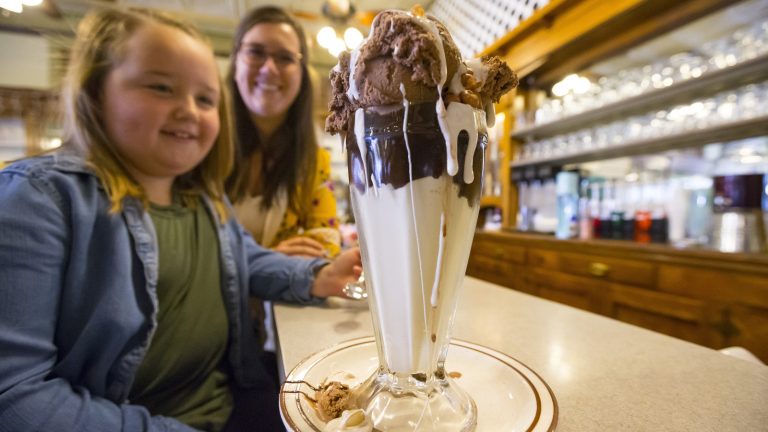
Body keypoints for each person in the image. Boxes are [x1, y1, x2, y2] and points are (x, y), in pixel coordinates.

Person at [0, 7, 360, 432]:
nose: (189, 110)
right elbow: (17, 396)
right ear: (95, 92)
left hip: (229, 399)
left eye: (206, 99)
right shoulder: (40, 199)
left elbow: (245, 259)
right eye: (161, 87)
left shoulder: (201, 198)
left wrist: (317, 276)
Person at [226, 6, 341, 260]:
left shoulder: (313, 161)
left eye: (285, 58)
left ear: (301, 75)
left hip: (276, 301)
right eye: (256, 52)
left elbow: (327, 243)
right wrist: (268, 260)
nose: (269, 68)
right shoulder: (203, 144)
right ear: (235, 62)